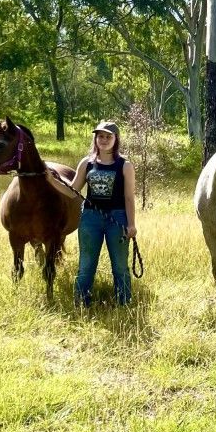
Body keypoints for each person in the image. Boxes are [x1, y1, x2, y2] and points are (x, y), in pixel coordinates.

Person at [71, 120, 137, 307]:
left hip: (117, 219)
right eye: (100, 136)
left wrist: (131, 224)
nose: (104, 139)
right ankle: (81, 304)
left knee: (120, 266)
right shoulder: (87, 163)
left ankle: (124, 304)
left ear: (116, 139)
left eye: (108, 136)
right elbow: (72, 190)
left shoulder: (125, 166)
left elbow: (129, 198)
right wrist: (50, 179)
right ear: (96, 138)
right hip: (90, 219)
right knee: (86, 266)